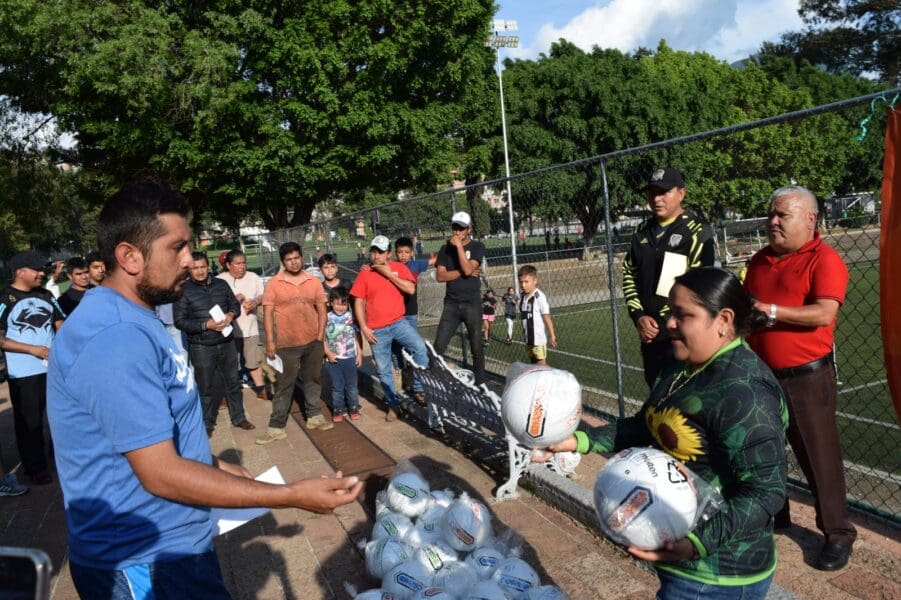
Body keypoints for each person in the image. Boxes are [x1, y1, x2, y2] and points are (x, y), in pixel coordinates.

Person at [47, 182, 361, 597]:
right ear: (129, 257)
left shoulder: (136, 317)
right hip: (145, 563)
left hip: (176, 546)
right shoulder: (115, 337)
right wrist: (289, 495)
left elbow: (145, 435)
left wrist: (211, 463)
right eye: (176, 248)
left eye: (190, 247)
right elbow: (160, 473)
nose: (190, 259)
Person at [543, 268, 787, 599]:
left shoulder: (744, 391)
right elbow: (646, 425)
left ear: (723, 320)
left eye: (682, 315)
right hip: (681, 561)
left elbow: (766, 491)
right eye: (670, 311)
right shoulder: (681, 365)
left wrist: (695, 544)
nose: (669, 322)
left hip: (717, 575)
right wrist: (577, 440)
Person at [744, 185, 856, 571]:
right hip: (762, 374)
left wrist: (771, 311)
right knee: (764, 448)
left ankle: (837, 534)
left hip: (806, 378)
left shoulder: (824, 260)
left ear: (810, 219)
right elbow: (748, 311)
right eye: (771, 214)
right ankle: (776, 515)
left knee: (818, 456)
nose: (773, 221)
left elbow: (824, 313)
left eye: (782, 215)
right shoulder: (759, 260)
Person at [622, 167, 715, 388]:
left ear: (681, 193)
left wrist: (666, 321)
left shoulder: (697, 231)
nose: (656, 199)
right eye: (652, 193)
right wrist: (639, 316)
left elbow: (701, 285)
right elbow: (629, 273)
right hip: (649, 335)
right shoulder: (641, 230)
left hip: (682, 335)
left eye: (664, 192)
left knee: (685, 397)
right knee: (656, 393)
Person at [0, 251, 65, 485]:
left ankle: (59, 455)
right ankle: (35, 467)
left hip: (54, 369)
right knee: (30, 422)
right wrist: (31, 349)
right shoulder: (5, 298)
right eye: (37, 269)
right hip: (23, 374)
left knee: (60, 416)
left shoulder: (46, 295)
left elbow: (60, 324)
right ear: (20, 272)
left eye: (43, 270)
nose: (42, 273)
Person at [257, 242, 333, 443]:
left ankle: (314, 416)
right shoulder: (273, 284)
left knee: (313, 379)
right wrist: (270, 342)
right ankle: (276, 426)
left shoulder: (313, 281)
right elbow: (267, 315)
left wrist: (320, 336)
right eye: (289, 259)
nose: (294, 262)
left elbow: (322, 310)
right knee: (284, 385)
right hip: (286, 344)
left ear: (302, 257)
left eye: (297, 258)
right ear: (283, 262)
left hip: (313, 341)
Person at [174, 252, 255, 436]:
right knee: (206, 386)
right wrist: (205, 325)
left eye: (203, 267)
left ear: (208, 267)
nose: (200, 271)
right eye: (195, 268)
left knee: (233, 382)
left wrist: (231, 314)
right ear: (189, 270)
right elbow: (180, 321)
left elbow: (234, 305)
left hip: (226, 342)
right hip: (201, 346)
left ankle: (239, 417)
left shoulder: (221, 284)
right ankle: (207, 423)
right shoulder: (183, 290)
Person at [350, 236, 429, 421]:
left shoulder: (399, 268)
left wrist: (388, 273)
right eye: (374, 251)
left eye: (380, 252)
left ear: (388, 254)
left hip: (399, 323)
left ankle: (419, 389)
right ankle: (393, 405)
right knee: (384, 369)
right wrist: (363, 327)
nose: (376, 255)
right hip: (376, 330)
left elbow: (410, 289)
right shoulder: (365, 274)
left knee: (420, 348)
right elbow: (358, 301)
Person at [433, 211, 487, 384]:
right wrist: (464, 272)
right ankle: (436, 382)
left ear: (468, 229)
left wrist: (459, 248)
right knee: (438, 347)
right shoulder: (444, 249)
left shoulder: (477, 247)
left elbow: (469, 268)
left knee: (476, 347)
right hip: (452, 305)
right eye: (455, 227)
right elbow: (440, 276)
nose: (457, 232)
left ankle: (481, 385)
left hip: (472, 303)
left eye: (461, 228)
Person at [218, 249, 269, 400]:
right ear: (228, 265)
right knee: (229, 363)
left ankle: (261, 390)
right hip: (228, 330)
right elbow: (214, 304)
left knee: (254, 361)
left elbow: (263, 295)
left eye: (244, 263)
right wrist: (233, 300)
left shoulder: (253, 277)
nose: (242, 267)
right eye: (238, 264)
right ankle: (226, 395)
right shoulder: (220, 280)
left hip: (250, 328)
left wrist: (255, 302)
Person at [390, 236, 434, 396]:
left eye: (406, 252)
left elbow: (434, 262)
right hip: (395, 314)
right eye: (400, 252)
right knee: (395, 347)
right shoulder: (391, 267)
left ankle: (413, 376)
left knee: (412, 346)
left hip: (410, 313)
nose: (403, 255)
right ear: (395, 253)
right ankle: (400, 372)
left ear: (412, 253)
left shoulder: (415, 265)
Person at [323, 287, 362, 422]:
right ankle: (338, 409)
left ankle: (354, 407)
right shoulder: (326, 318)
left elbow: (356, 337)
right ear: (330, 303)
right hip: (334, 359)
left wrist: (359, 354)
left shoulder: (351, 317)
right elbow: (322, 338)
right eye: (337, 304)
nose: (341, 307)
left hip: (350, 357)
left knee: (352, 386)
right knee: (337, 387)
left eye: (344, 304)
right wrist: (328, 353)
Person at [518, 265, 556, 365]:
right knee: (533, 364)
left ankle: (546, 375)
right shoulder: (523, 296)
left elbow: (546, 316)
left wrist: (552, 335)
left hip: (538, 339)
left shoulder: (539, 296)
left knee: (541, 365)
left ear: (535, 281)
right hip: (528, 339)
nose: (523, 285)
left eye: (526, 282)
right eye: (521, 282)